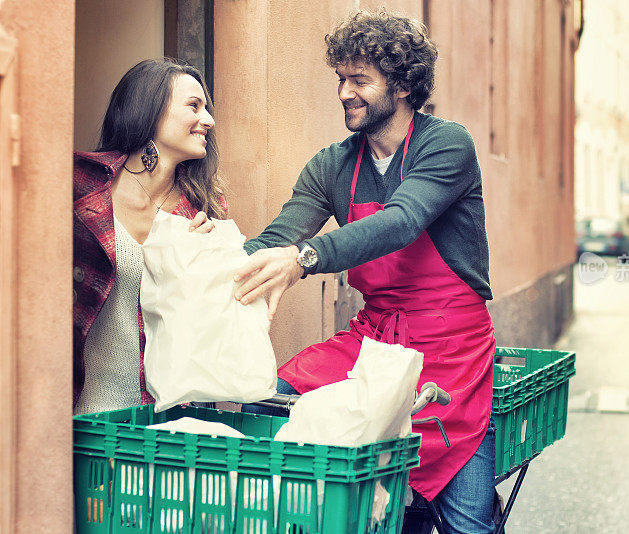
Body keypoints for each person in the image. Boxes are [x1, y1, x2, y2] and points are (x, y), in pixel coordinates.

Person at [235, 11, 497, 533]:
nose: (343, 93)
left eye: (360, 80)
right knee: (275, 399)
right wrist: (208, 250)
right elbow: (275, 241)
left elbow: (402, 222)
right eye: (341, 79)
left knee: (468, 523)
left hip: (451, 356)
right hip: (372, 345)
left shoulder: (446, 144)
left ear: (401, 85)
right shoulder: (331, 165)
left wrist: (305, 259)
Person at [73, 59, 225, 415]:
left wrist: (213, 259)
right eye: (194, 106)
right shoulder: (82, 186)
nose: (209, 120)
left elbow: (214, 328)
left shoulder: (205, 207)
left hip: (168, 422)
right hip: (86, 417)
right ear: (152, 112)